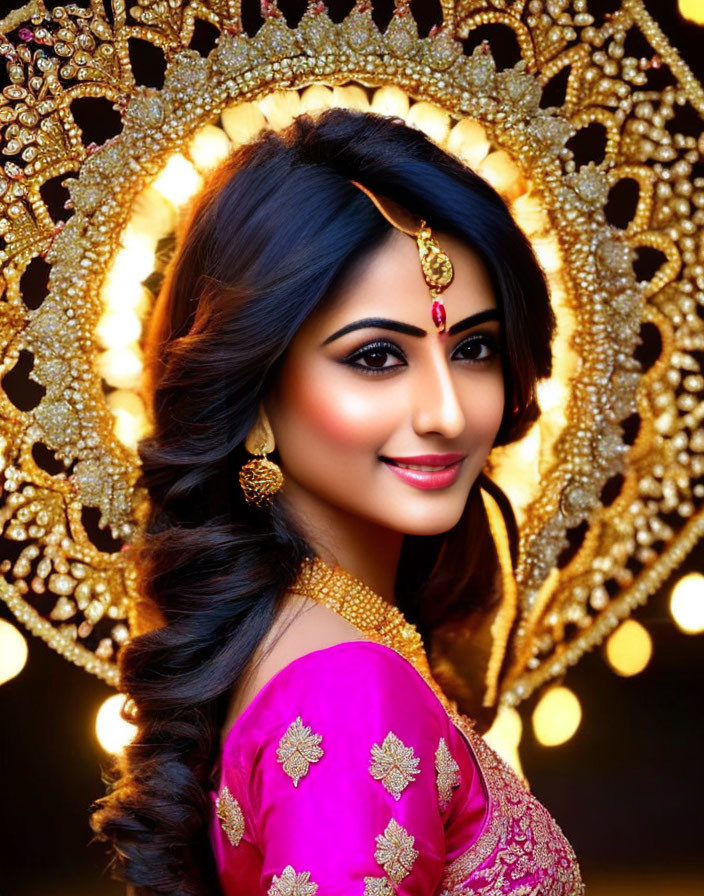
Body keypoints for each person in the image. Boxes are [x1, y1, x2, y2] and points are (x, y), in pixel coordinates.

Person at [90, 108, 583, 895]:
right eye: (378, 357)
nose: (448, 413)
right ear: (254, 391)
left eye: (475, 348)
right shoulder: (351, 692)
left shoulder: (311, 641)